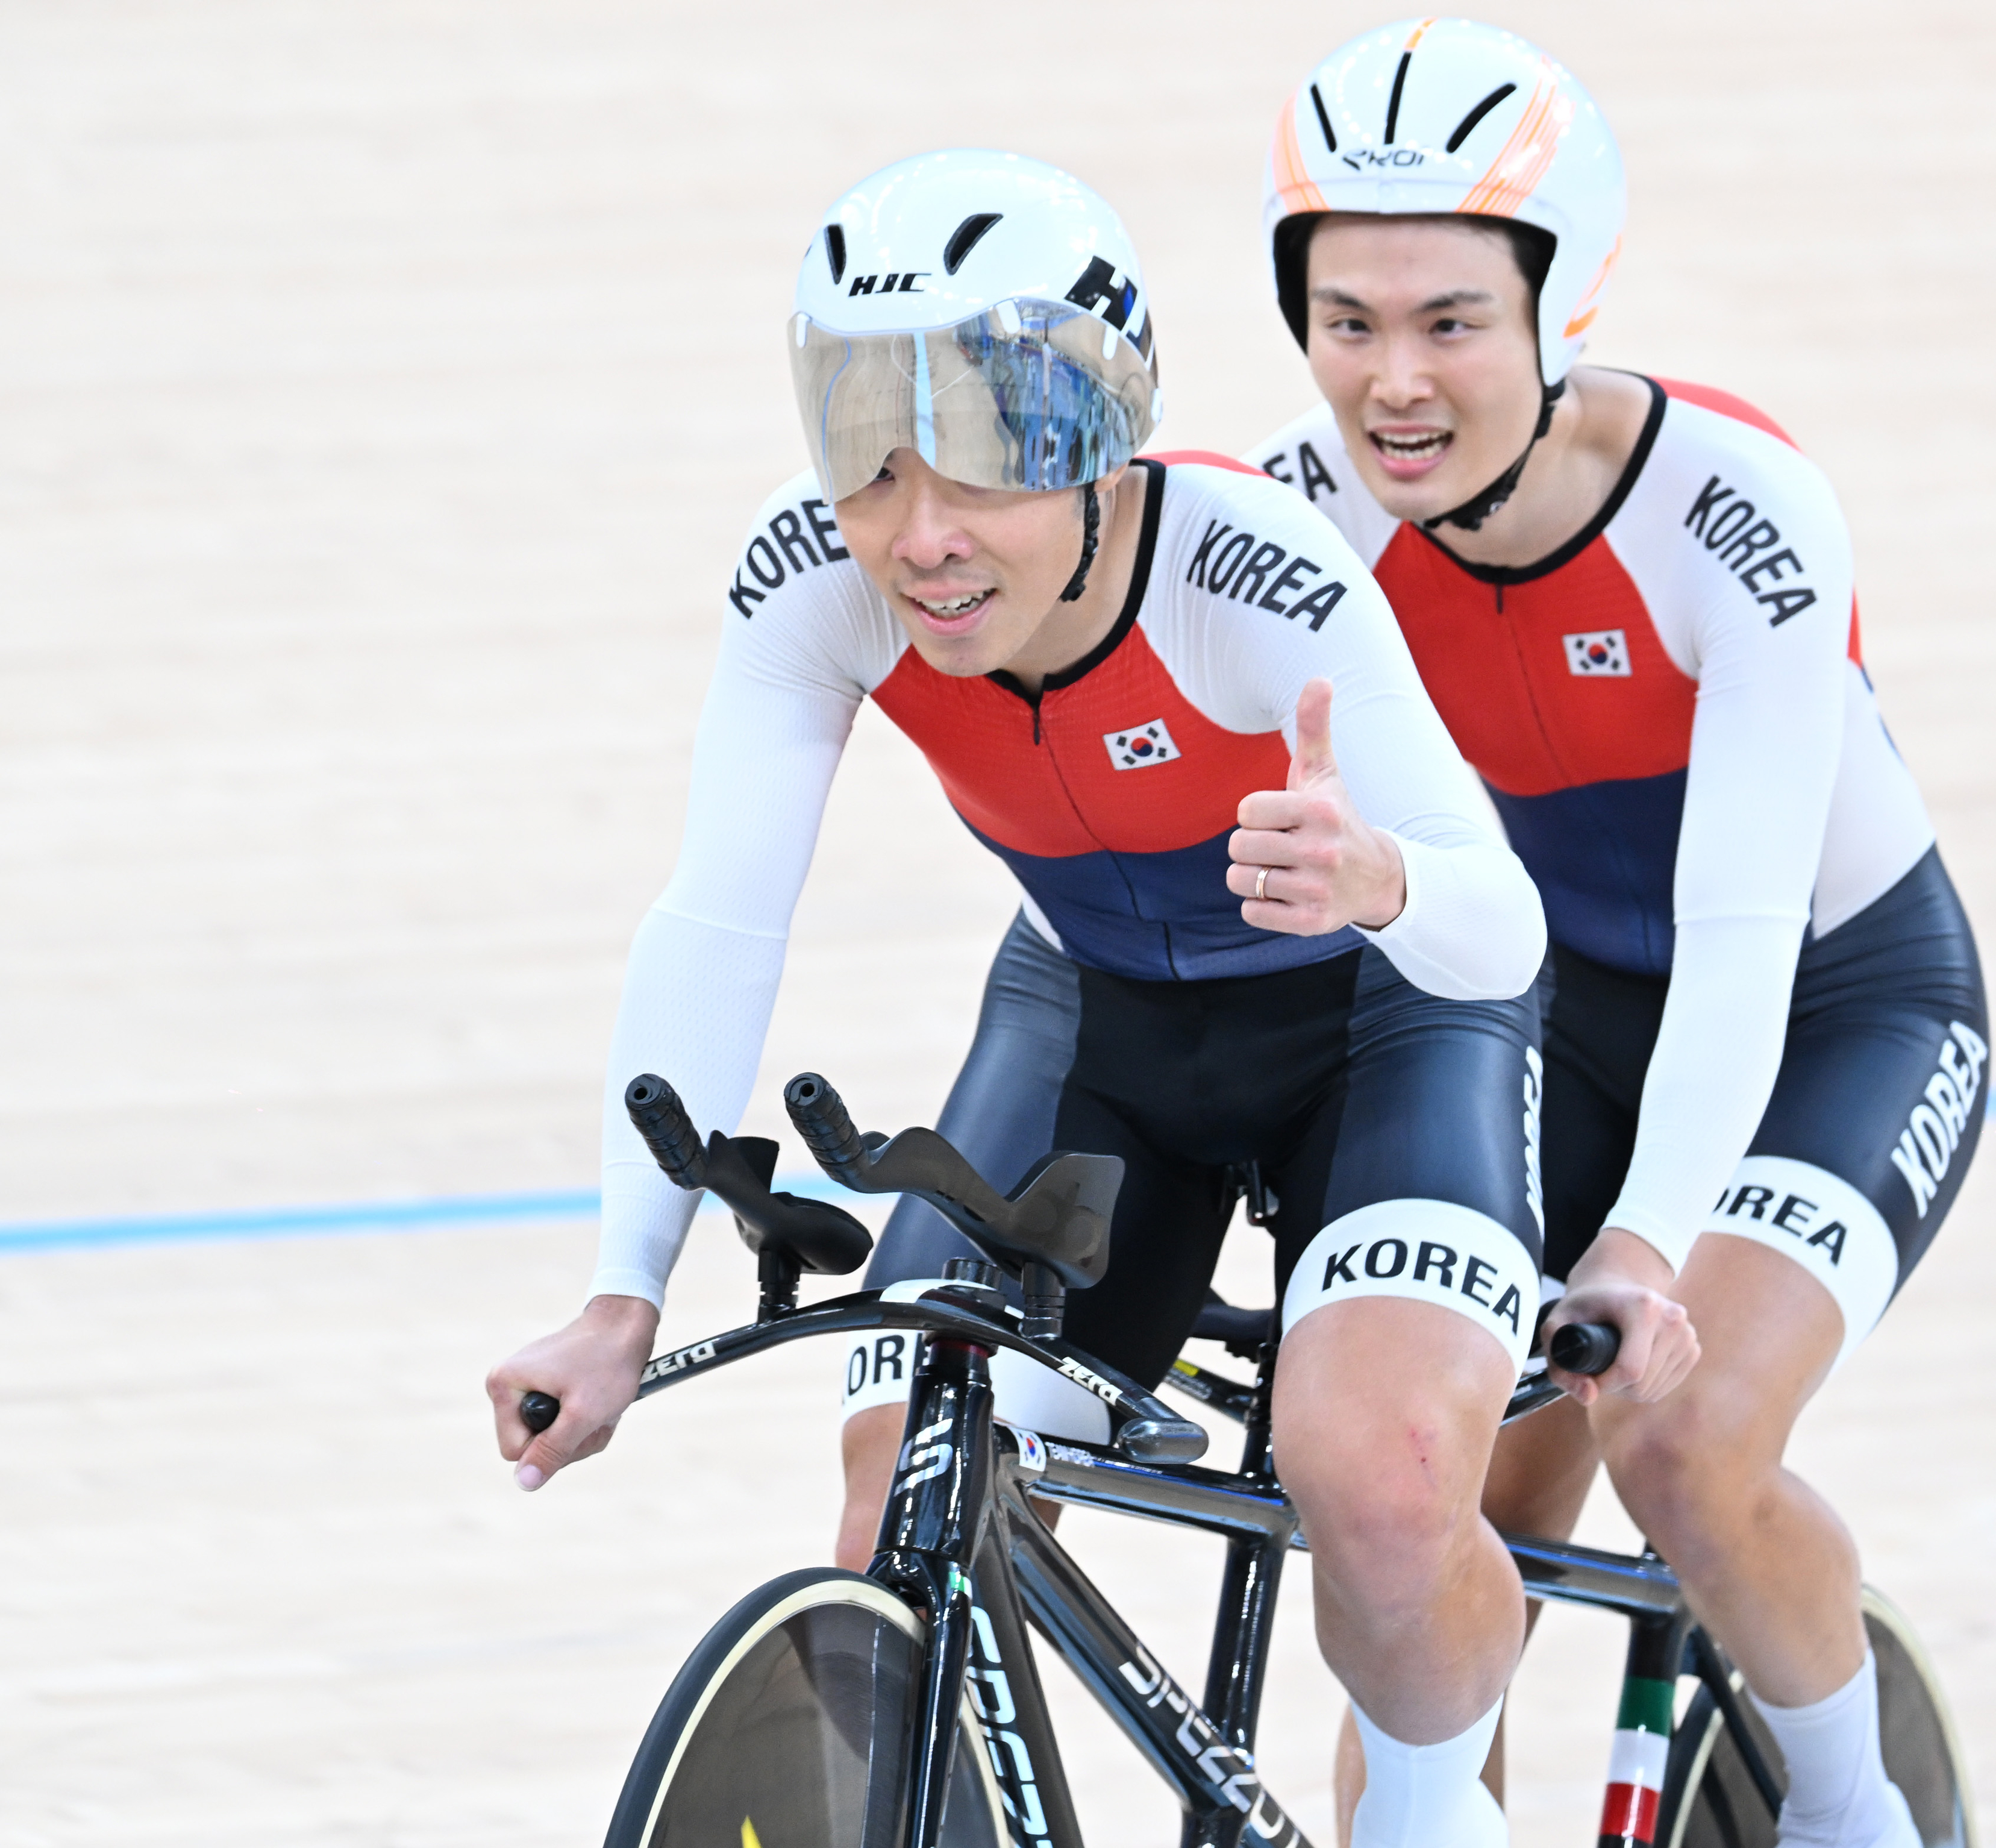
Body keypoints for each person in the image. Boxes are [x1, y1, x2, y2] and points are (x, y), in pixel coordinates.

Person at [484, 148, 1554, 1848]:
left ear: (1099, 439)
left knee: (1381, 1477)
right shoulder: (815, 581)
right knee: (893, 1476)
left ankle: (1431, 1817)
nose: (922, 535)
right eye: (868, 452)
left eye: (989, 460)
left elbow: (1499, 931)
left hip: (1382, 1023)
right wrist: (622, 1292)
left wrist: (1383, 884)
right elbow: (715, 924)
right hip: (1104, 1023)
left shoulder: (1247, 571)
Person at [1247, 22, 1989, 1848]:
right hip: (1558, 1015)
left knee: (1679, 1437)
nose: (1393, 383)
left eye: (1450, 322)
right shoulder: (1302, 518)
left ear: (1560, 303)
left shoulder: (1736, 516)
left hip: (1833, 1006)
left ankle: (1846, 1809)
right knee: (1442, 1524)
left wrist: (1646, 1252)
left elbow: (1740, 937)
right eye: (1350, 321)